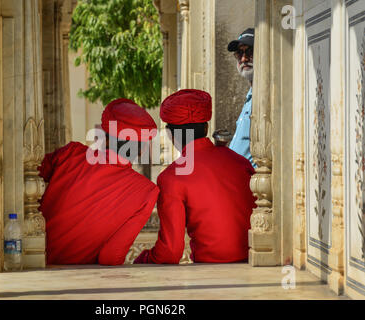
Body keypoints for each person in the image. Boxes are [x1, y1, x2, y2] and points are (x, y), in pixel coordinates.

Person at [134, 89, 256, 264]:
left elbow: (170, 252)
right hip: (256, 264)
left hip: (209, 275)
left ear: (169, 134)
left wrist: (142, 259)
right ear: (206, 128)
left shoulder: (172, 178)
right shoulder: (241, 162)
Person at [38, 98, 159, 265]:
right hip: (75, 280)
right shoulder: (147, 192)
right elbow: (110, 257)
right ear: (143, 149)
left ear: (105, 138)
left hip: (26, 263)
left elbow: (30, 172)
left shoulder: (71, 154)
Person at [227, 28, 256, 167]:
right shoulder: (251, 96)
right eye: (239, 53)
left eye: (249, 52)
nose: (244, 59)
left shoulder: (265, 96)